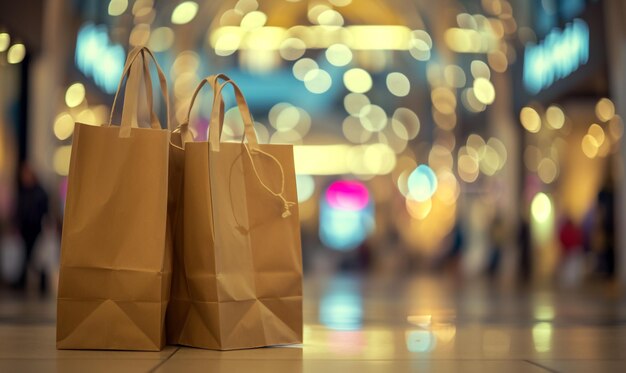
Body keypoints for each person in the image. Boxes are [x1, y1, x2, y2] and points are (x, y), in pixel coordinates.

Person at [14, 162, 48, 290]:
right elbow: (19, 210)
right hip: (25, 230)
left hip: (36, 229)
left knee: (38, 257)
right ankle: (22, 282)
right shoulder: (23, 192)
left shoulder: (40, 192)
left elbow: (43, 211)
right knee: (26, 256)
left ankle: (42, 284)